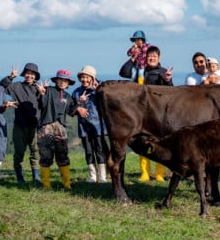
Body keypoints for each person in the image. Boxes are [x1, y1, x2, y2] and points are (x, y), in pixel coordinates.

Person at [120, 45, 173, 181]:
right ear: (146, 57)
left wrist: (168, 79)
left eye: (154, 56)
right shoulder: (140, 71)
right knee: (143, 142)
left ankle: (159, 174)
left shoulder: (163, 71)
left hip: (159, 114)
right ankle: (145, 172)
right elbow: (124, 73)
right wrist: (133, 58)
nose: (152, 58)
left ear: (159, 57)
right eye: (149, 56)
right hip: (142, 113)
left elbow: (171, 92)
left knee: (159, 143)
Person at [0, 63, 44, 185]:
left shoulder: (39, 88)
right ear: (24, 74)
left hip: (35, 126)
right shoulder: (17, 86)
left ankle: (36, 178)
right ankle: (20, 178)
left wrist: (43, 94)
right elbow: (0, 88)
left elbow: (45, 105)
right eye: (28, 73)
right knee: (19, 152)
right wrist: (11, 77)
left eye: (32, 74)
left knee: (35, 151)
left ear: (35, 76)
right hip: (20, 125)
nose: (30, 76)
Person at [36, 69, 82, 190]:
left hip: (61, 127)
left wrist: (79, 102)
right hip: (46, 126)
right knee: (45, 155)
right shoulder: (49, 91)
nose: (62, 82)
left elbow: (71, 111)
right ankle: (46, 185)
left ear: (68, 83)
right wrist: (41, 93)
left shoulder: (67, 96)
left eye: (65, 80)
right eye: (60, 79)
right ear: (56, 80)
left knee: (63, 155)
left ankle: (66, 184)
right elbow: (42, 104)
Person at [72, 65, 108, 183]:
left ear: (93, 78)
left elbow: (108, 100)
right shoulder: (76, 92)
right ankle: (93, 176)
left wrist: (99, 89)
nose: (85, 80)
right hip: (84, 127)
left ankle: (103, 176)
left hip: (98, 126)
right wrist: (78, 106)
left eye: (87, 77)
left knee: (100, 150)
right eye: (82, 77)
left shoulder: (99, 89)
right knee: (88, 151)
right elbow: (71, 110)